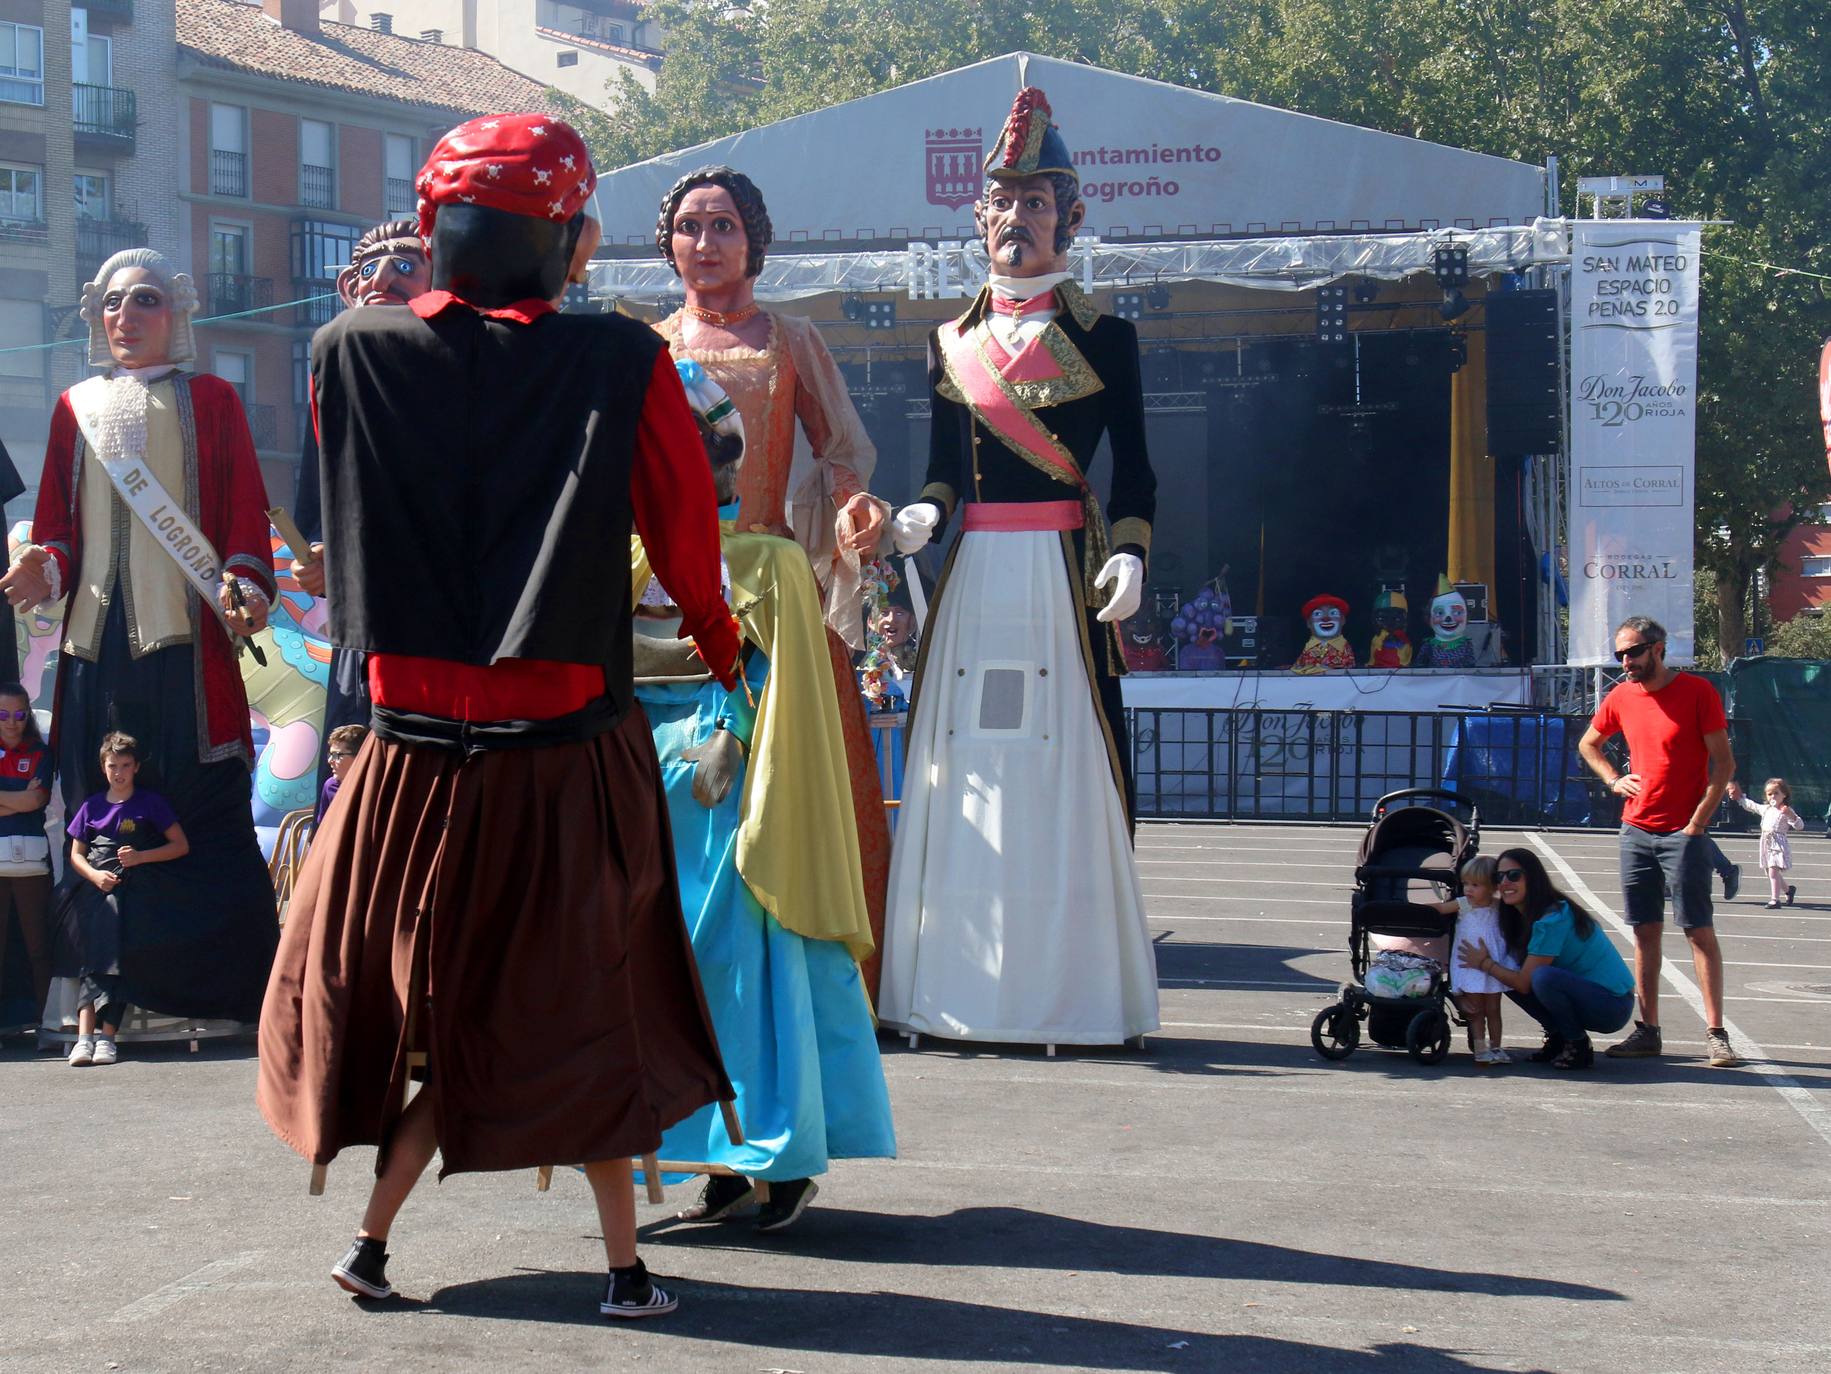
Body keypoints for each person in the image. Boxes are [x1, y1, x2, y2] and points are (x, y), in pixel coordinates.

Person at [257, 114, 738, 1320]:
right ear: (569, 243)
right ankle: (625, 1269)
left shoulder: (342, 350)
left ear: (434, 228)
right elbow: (685, 535)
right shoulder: (621, 361)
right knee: (585, 1008)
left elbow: (344, 504)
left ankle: (372, 1242)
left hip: (403, 760)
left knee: (425, 1006)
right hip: (558, 756)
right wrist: (723, 647)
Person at [879, 87, 1160, 1048]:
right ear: (980, 219)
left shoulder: (1105, 338)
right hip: (975, 580)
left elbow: (1138, 475)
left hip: (1060, 578)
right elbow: (939, 471)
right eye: (1002, 204)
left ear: (1070, 218)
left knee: (1061, 769)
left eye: (1035, 203)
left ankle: (1069, 995)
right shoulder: (948, 342)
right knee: (966, 775)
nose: (1015, 219)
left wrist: (1127, 552)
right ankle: (947, 989)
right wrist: (923, 509)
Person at [632, 362, 894, 1233]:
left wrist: (735, 735)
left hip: (733, 804)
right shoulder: (616, 561)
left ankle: (776, 1157)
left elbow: (777, 683)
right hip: (635, 795)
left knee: (745, 973)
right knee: (665, 977)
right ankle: (710, 1155)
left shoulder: (766, 562)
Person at [0, 247, 278, 1028]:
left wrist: (248, 583)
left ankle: (226, 993)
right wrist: (40, 570)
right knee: (98, 810)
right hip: (93, 652)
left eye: (146, 300)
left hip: (185, 646)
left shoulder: (215, 401)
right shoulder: (73, 406)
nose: (127, 317)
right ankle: (106, 991)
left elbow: (242, 517)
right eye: (113, 304)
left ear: (178, 315)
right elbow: (58, 528)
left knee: (193, 807)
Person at [653, 165, 893, 997]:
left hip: (769, 582)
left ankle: (805, 972)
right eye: (690, 225)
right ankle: (675, 962)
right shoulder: (648, 349)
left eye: (723, 225)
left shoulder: (791, 341)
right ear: (668, 243)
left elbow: (841, 451)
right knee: (678, 770)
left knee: (784, 769)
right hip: (665, 590)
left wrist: (853, 507)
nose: (705, 242)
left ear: (754, 238)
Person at [291, 220, 433, 802]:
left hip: (438, 620)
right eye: (367, 268)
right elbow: (315, 507)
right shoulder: (334, 372)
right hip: (362, 621)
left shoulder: (466, 369)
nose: (382, 279)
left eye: (405, 266)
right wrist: (319, 555)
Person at [1577, 615, 1739, 1067]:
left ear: (1658, 648)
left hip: (1683, 833)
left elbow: (1724, 764)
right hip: (1636, 829)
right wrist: (1613, 779)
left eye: (1633, 652)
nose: (1625, 661)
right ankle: (1647, 1032)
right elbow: (1589, 744)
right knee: (1644, 932)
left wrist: (1697, 824)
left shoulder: (1697, 693)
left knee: (1697, 931)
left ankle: (1716, 1033)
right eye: (1620, 654)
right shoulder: (1622, 695)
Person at [54, 732, 190, 1066]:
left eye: (125, 766)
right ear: (103, 767)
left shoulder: (150, 804)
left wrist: (142, 857)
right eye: (113, 766)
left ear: (136, 767)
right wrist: (95, 877)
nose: (119, 772)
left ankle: (105, 1038)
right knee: (93, 958)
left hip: (135, 895)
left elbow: (179, 845)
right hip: (93, 893)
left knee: (113, 956)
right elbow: (76, 855)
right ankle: (86, 1038)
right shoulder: (91, 806)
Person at [1456, 848, 1635, 1070]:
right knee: (1510, 970)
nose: (1504, 882)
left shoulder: (1553, 916)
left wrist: (1483, 963)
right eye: (1498, 877)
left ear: (1532, 878)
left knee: (1539, 977)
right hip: (1582, 991)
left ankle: (1577, 1044)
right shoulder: (1514, 913)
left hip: (1611, 1004)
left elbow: (1524, 983)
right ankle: (1559, 1036)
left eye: (1513, 875)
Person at [1424, 856, 1521, 1065]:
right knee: (1476, 1012)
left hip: (1493, 964)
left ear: (1492, 887)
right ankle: (1480, 1049)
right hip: (1470, 965)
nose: (1468, 889)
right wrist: (1420, 909)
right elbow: (1442, 908)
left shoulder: (1498, 906)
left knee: (1494, 1010)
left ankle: (1496, 1047)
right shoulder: (1465, 904)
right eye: (1466, 883)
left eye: (1475, 885)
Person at [0, 681, 53, 1032]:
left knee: (39, 947)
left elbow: (37, 801)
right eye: (4, 714)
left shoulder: (40, 752)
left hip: (32, 860)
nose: (12, 722)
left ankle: (47, 1023)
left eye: (20, 714)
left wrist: (13, 800)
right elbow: (25, 800)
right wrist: (18, 799)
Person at [1727, 777, 1802, 909]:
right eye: (1770, 794)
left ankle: (1775, 900)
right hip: (1766, 843)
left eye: (1776, 793)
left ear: (1784, 795)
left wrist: (1792, 815)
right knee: (1769, 872)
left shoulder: (1785, 810)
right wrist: (1740, 798)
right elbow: (1752, 806)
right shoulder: (1766, 809)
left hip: (1778, 844)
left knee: (1773, 871)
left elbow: (1799, 826)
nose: (1773, 796)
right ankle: (1789, 890)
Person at [316, 723, 367, 825]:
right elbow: (323, 827)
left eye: (336, 755)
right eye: (330, 755)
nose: (330, 760)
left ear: (359, 757)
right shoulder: (330, 786)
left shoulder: (375, 788)